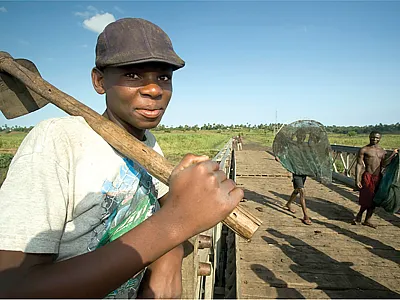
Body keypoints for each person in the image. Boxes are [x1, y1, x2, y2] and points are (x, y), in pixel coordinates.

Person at [0, 18, 243, 298]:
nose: (154, 89)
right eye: (132, 75)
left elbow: (168, 210)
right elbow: (13, 288)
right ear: (99, 81)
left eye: (164, 77)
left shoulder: (148, 146)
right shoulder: (57, 141)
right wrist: (175, 226)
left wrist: (171, 253)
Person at [353, 131, 398, 228]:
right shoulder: (364, 149)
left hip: (378, 178)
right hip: (367, 176)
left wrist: (393, 154)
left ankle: (367, 219)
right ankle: (359, 215)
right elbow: (359, 164)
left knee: (375, 199)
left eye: (377, 138)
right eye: (372, 137)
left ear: (380, 138)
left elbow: (384, 164)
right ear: (369, 137)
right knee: (366, 198)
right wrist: (357, 179)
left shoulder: (382, 151)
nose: (374, 139)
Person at [274, 156, 311, 225]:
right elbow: (285, 153)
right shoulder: (293, 147)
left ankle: (288, 204)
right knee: (302, 191)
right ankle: (306, 216)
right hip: (296, 172)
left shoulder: (305, 148)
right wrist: (280, 159)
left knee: (297, 190)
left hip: (304, 172)